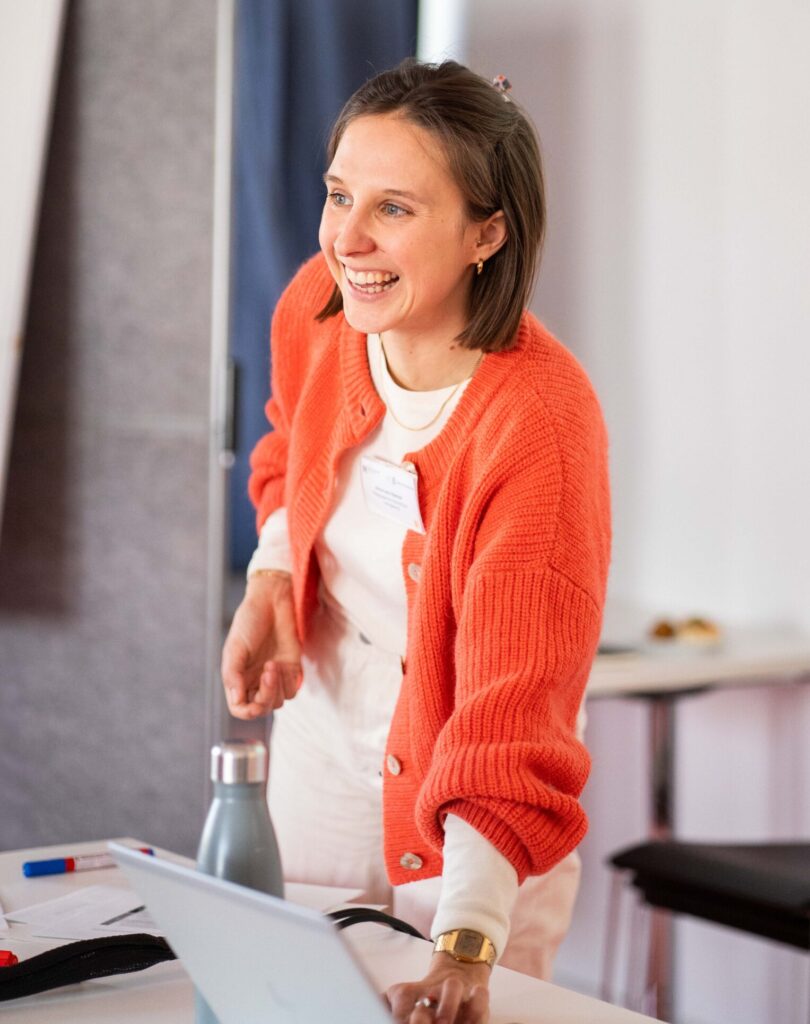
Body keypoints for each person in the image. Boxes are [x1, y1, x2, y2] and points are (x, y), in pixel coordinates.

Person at [221, 59, 611, 1024]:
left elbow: (511, 707)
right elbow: (290, 446)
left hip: (475, 759)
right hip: (323, 719)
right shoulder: (321, 306)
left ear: (488, 232)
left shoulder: (538, 424)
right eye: (338, 194)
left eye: (393, 209)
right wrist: (276, 575)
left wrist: (467, 944)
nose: (345, 238)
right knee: (295, 1000)